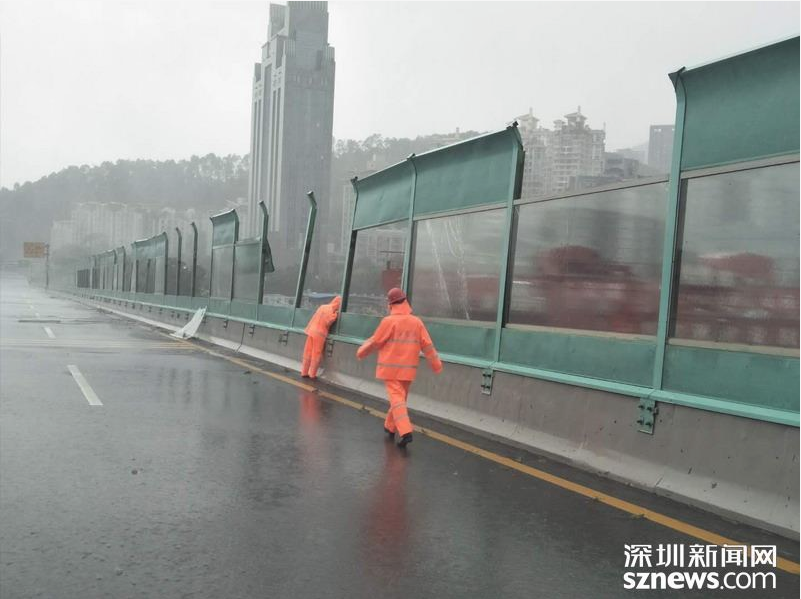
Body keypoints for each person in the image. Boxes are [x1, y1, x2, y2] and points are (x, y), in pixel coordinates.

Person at [356, 288, 442, 447]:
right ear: (405, 301)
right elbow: (427, 345)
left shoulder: (388, 322)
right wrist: (436, 365)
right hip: (408, 370)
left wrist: (361, 352)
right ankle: (390, 427)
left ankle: (405, 431)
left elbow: (376, 341)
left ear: (391, 304)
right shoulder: (416, 322)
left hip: (390, 369)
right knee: (399, 400)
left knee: (397, 400)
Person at [301, 295, 341, 379]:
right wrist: (335, 315)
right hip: (319, 334)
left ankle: (304, 372)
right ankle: (312, 374)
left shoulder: (322, 307)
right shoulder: (332, 311)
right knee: (316, 353)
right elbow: (328, 322)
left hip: (311, 330)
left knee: (308, 351)